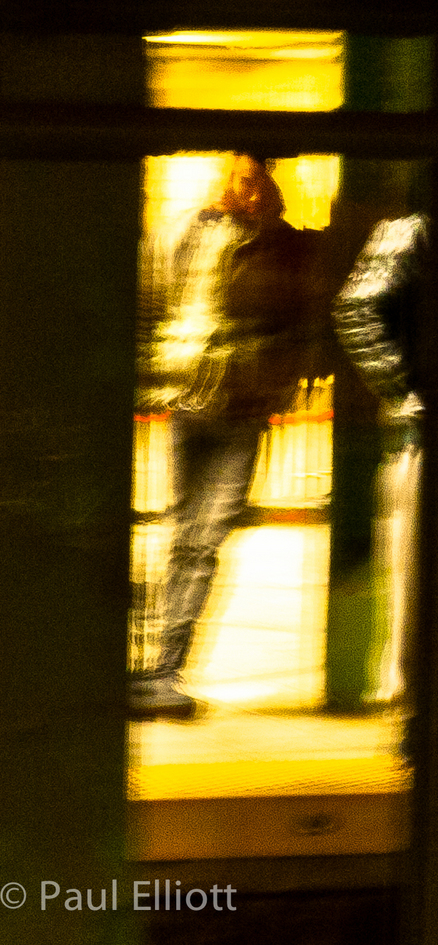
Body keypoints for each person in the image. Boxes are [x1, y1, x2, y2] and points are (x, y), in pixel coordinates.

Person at [130, 155, 322, 719]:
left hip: (241, 407)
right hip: (188, 399)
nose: (257, 190)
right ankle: (150, 669)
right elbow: (150, 306)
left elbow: (304, 324)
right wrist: (150, 379)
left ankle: (165, 669)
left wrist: (278, 382)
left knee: (204, 536)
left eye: (264, 180)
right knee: (180, 531)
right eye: (246, 179)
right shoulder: (183, 233)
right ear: (228, 180)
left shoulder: (283, 244)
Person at [334, 213, 428, 708]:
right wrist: (406, 388)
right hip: (426, 433)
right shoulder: (413, 233)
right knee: (414, 572)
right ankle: (412, 694)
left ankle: (416, 688)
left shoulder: (406, 234)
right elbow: (357, 307)